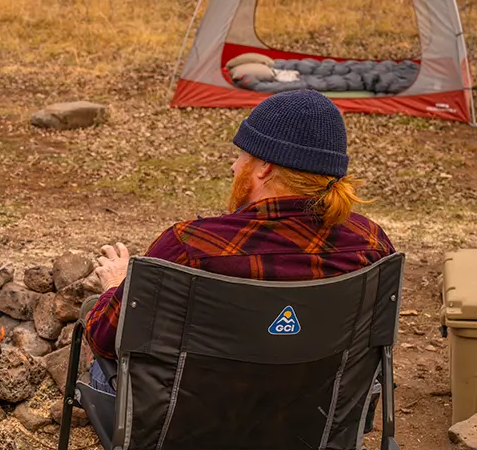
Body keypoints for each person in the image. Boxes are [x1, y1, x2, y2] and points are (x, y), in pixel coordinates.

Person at [85, 89, 394, 389]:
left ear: (265, 167)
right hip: (321, 416)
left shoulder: (190, 245)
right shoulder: (370, 243)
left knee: (101, 363)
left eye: (242, 155)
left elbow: (106, 340)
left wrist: (116, 284)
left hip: (191, 419)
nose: (234, 166)